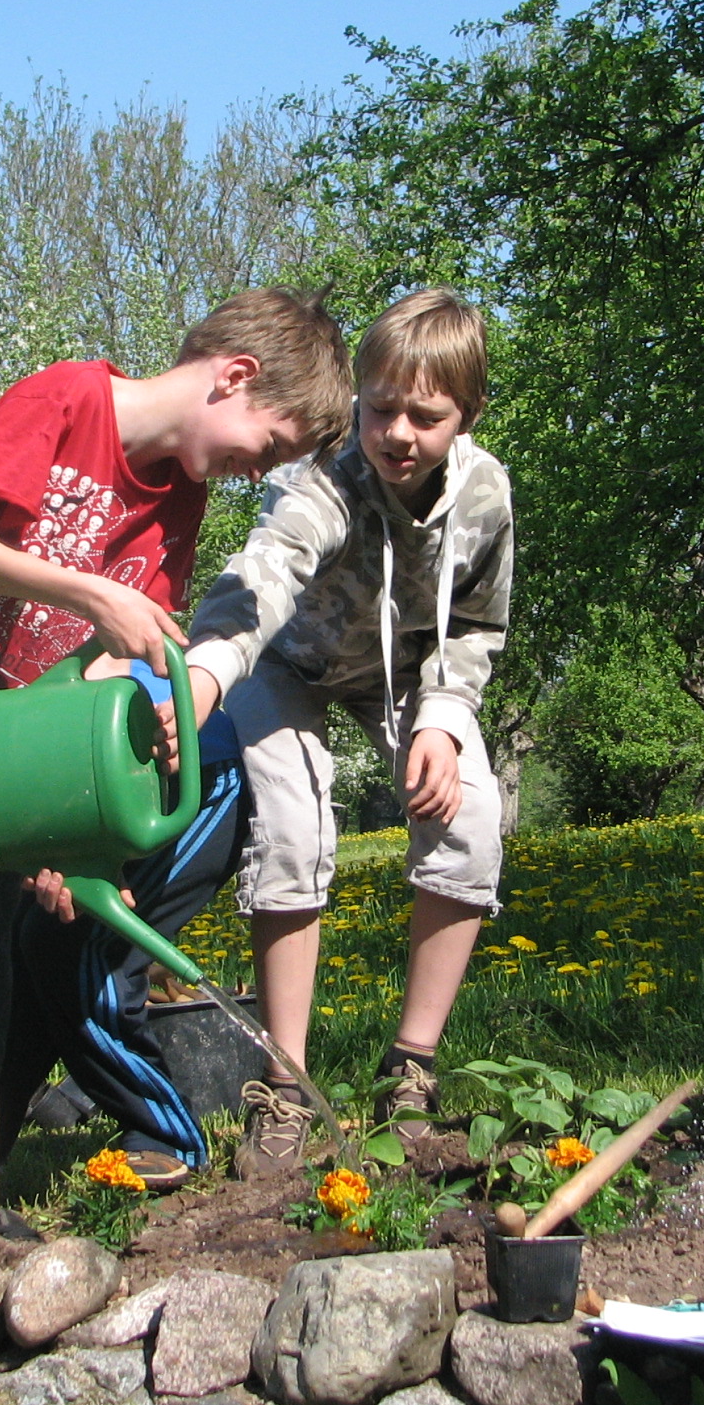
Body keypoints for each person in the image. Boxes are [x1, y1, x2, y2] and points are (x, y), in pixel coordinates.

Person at [0, 287, 351, 1250]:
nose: (264, 470)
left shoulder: (179, 504)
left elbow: (96, 670)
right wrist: (89, 591)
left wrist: (71, 818)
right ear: (235, 377)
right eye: (272, 444)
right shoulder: (67, 400)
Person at [181, 286, 514, 1178]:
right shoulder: (320, 481)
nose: (398, 432)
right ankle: (285, 1086)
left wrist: (443, 720)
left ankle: (410, 1069)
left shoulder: (484, 495)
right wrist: (208, 667)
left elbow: (478, 623)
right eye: (380, 409)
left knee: (471, 814)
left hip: (405, 676)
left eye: (426, 416)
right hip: (285, 663)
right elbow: (267, 567)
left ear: (467, 415)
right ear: (357, 400)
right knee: (291, 823)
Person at [0, 656, 251, 1194]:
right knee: (26, 953)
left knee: (92, 954)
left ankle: (166, 1133)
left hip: (187, 777)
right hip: (75, 789)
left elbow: (104, 660)